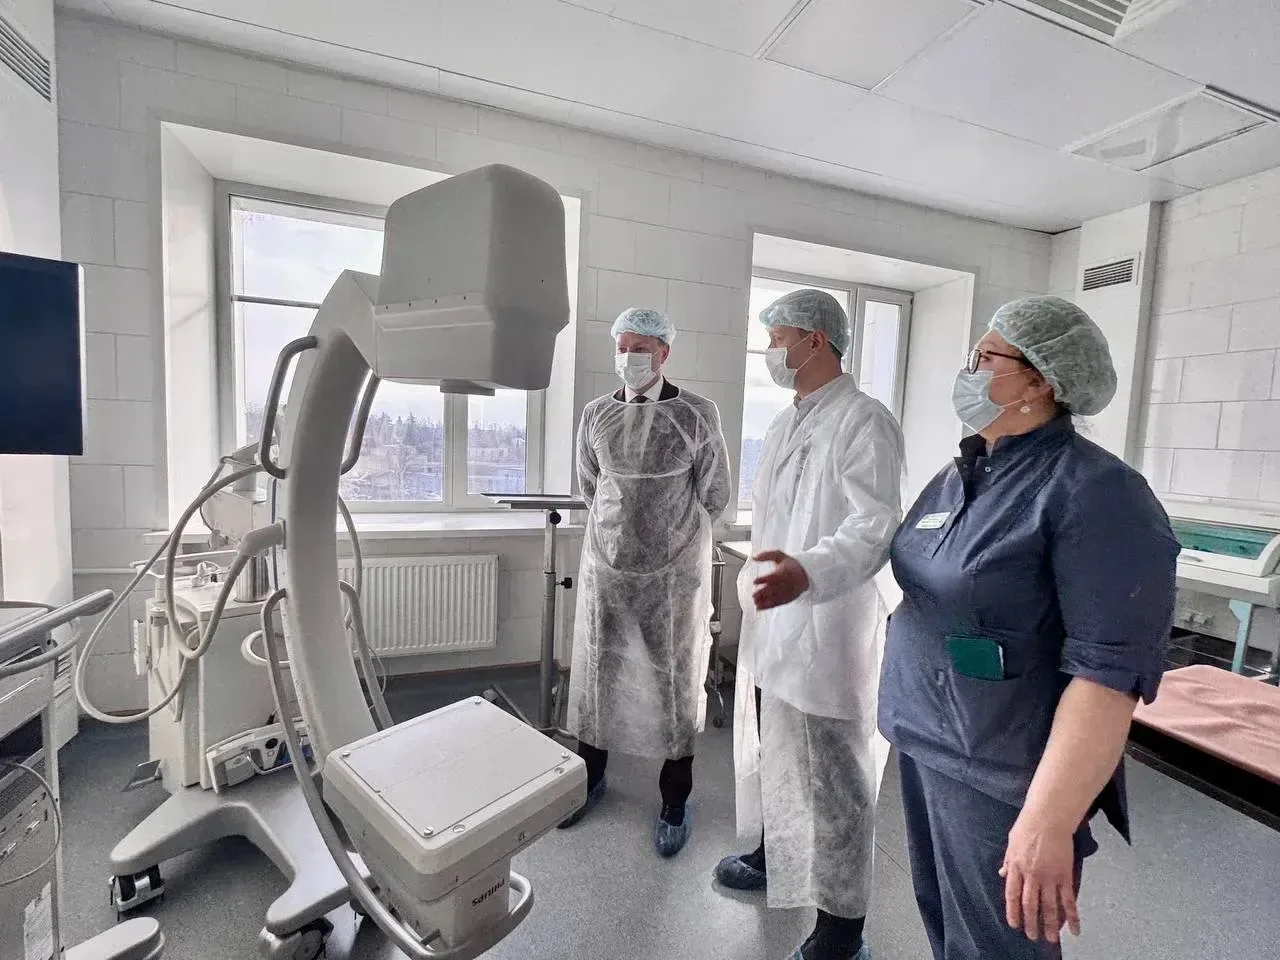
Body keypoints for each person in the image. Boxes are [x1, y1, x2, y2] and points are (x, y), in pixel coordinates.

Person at [879, 296, 1179, 960]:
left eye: (984, 357)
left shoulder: (1098, 492)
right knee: (948, 929)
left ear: (1040, 380)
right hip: (926, 735)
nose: (968, 370)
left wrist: (1047, 821)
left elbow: (1108, 677)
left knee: (996, 946)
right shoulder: (965, 470)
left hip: (1000, 768)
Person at [715, 289, 904, 960]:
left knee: (835, 777)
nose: (771, 351)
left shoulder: (864, 421)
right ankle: (777, 855)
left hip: (828, 628)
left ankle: (842, 925)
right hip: (776, 623)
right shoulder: (786, 422)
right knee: (776, 751)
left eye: (778, 338)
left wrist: (807, 571)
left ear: (816, 341)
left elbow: (875, 525)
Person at [562, 307, 732, 857]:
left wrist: (671, 544)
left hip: (673, 579)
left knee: (675, 682)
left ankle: (674, 800)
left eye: (640, 348)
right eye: (623, 347)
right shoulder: (596, 414)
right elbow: (592, 487)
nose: (630, 357)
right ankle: (590, 778)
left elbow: (714, 493)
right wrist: (622, 539)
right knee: (600, 675)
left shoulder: (696, 414)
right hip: (608, 569)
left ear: (663, 352)